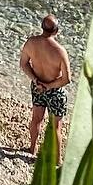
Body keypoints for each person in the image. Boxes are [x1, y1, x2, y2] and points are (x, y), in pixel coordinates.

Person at [20, 15, 71, 156]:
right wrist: (49, 86)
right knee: (56, 127)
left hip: (37, 87)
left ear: (42, 27)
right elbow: (67, 79)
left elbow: (23, 64)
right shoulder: (60, 51)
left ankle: (32, 148)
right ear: (57, 31)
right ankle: (57, 159)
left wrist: (36, 81)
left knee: (36, 119)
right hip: (55, 91)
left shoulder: (31, 43)